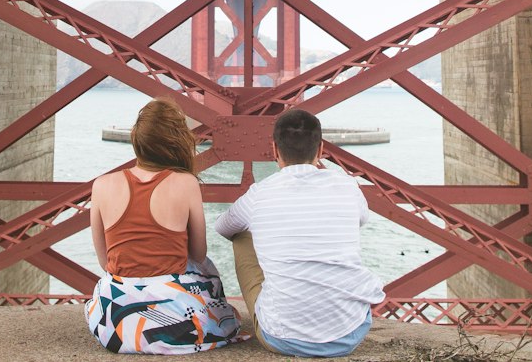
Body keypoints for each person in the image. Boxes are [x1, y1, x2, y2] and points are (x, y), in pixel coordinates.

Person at [214, 109, 384, 357]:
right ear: (321, 149)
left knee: (241, 234)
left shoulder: (259, 194)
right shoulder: (348, 185)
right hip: (350, 334)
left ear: (274, 149)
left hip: (281, 338)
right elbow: (361, 219)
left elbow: (223, 227)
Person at [85, 99, 243, 354]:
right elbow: (198, 254)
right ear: (178, 142)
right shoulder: (186, 183)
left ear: (137, 139)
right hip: (176, 318)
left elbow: (106, 263)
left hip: (114, 322)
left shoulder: (101, 185)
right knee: (207, 275)